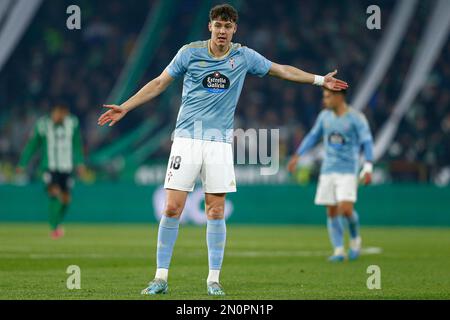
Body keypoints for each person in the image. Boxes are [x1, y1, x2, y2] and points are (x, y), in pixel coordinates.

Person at [98, 3, 348, 295]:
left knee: (215, 211)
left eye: (227, 27)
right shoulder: (189, 53)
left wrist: (319, 80)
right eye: (218, 25)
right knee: (171, 207)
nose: (222, 31)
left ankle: (213, 279)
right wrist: (125, 107)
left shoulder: (243, 56)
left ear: (234, 30)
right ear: (210, 27)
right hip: (187, 140)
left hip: (218, 143)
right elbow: (158, 83)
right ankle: (160, 278)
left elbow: (281, 70)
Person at [287, 88, 373, 262]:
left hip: (348, 170)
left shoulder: (356, 118)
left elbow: (367, 141)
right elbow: (312, 136)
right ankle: (339, 250)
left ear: (339, 97)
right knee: (332, 211)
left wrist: (369, 166)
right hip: (328, 170)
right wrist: (297, 155)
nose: (325, 100)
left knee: (346, 210)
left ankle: (355, 239)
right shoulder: (324, 117)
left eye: (328, 97)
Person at [17, 104, 86, 239]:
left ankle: (57, 222)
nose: (59, 116)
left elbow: (77, 143)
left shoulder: (72, 123)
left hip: (66, 167)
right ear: (53, 112)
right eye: (57, 113)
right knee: (54, 193)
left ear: (66, 113)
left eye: (62, 114)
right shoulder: (43, 124)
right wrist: (23, 163)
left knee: (66, 199)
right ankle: (54, 228)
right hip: (50, 167)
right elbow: (33, 144)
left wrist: (80, 163)